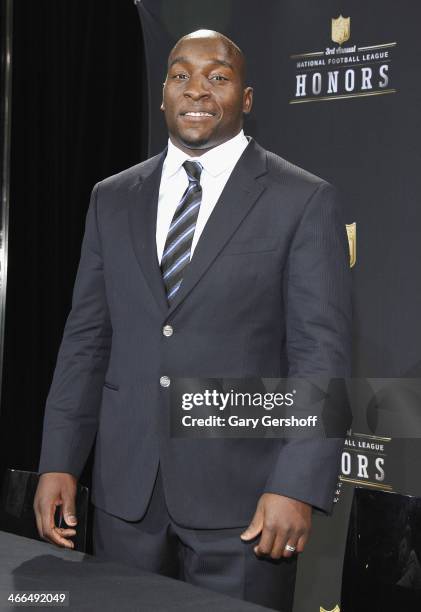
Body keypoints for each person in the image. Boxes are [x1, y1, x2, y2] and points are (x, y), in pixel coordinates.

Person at [34, 30, 351, 611]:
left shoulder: (303, 200)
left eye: (218, 76)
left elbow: (320, 357)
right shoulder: (112, 198)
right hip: (124, 498)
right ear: (162, 95)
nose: (196, 90)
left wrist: (296, 483)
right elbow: (85, 339)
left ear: (247, 97)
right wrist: (58, 459)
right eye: (180, 75)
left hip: (246, 507)